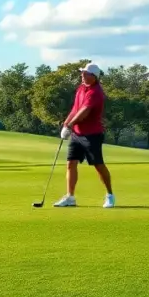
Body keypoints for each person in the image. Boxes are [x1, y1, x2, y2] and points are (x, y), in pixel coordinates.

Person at [53, 63, 115, 208]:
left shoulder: (96, 92)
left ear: (94, 77)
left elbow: (84, 112)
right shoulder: (81, 89)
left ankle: (110, 195)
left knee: (98, 165)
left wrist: (70, 125)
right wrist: (66, 124)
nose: (82, 75)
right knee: (71, 163)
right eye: (82, 73)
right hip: (77, 134)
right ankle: (70, 197)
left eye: (85, 74)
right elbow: (75, 109)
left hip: (92, 134)